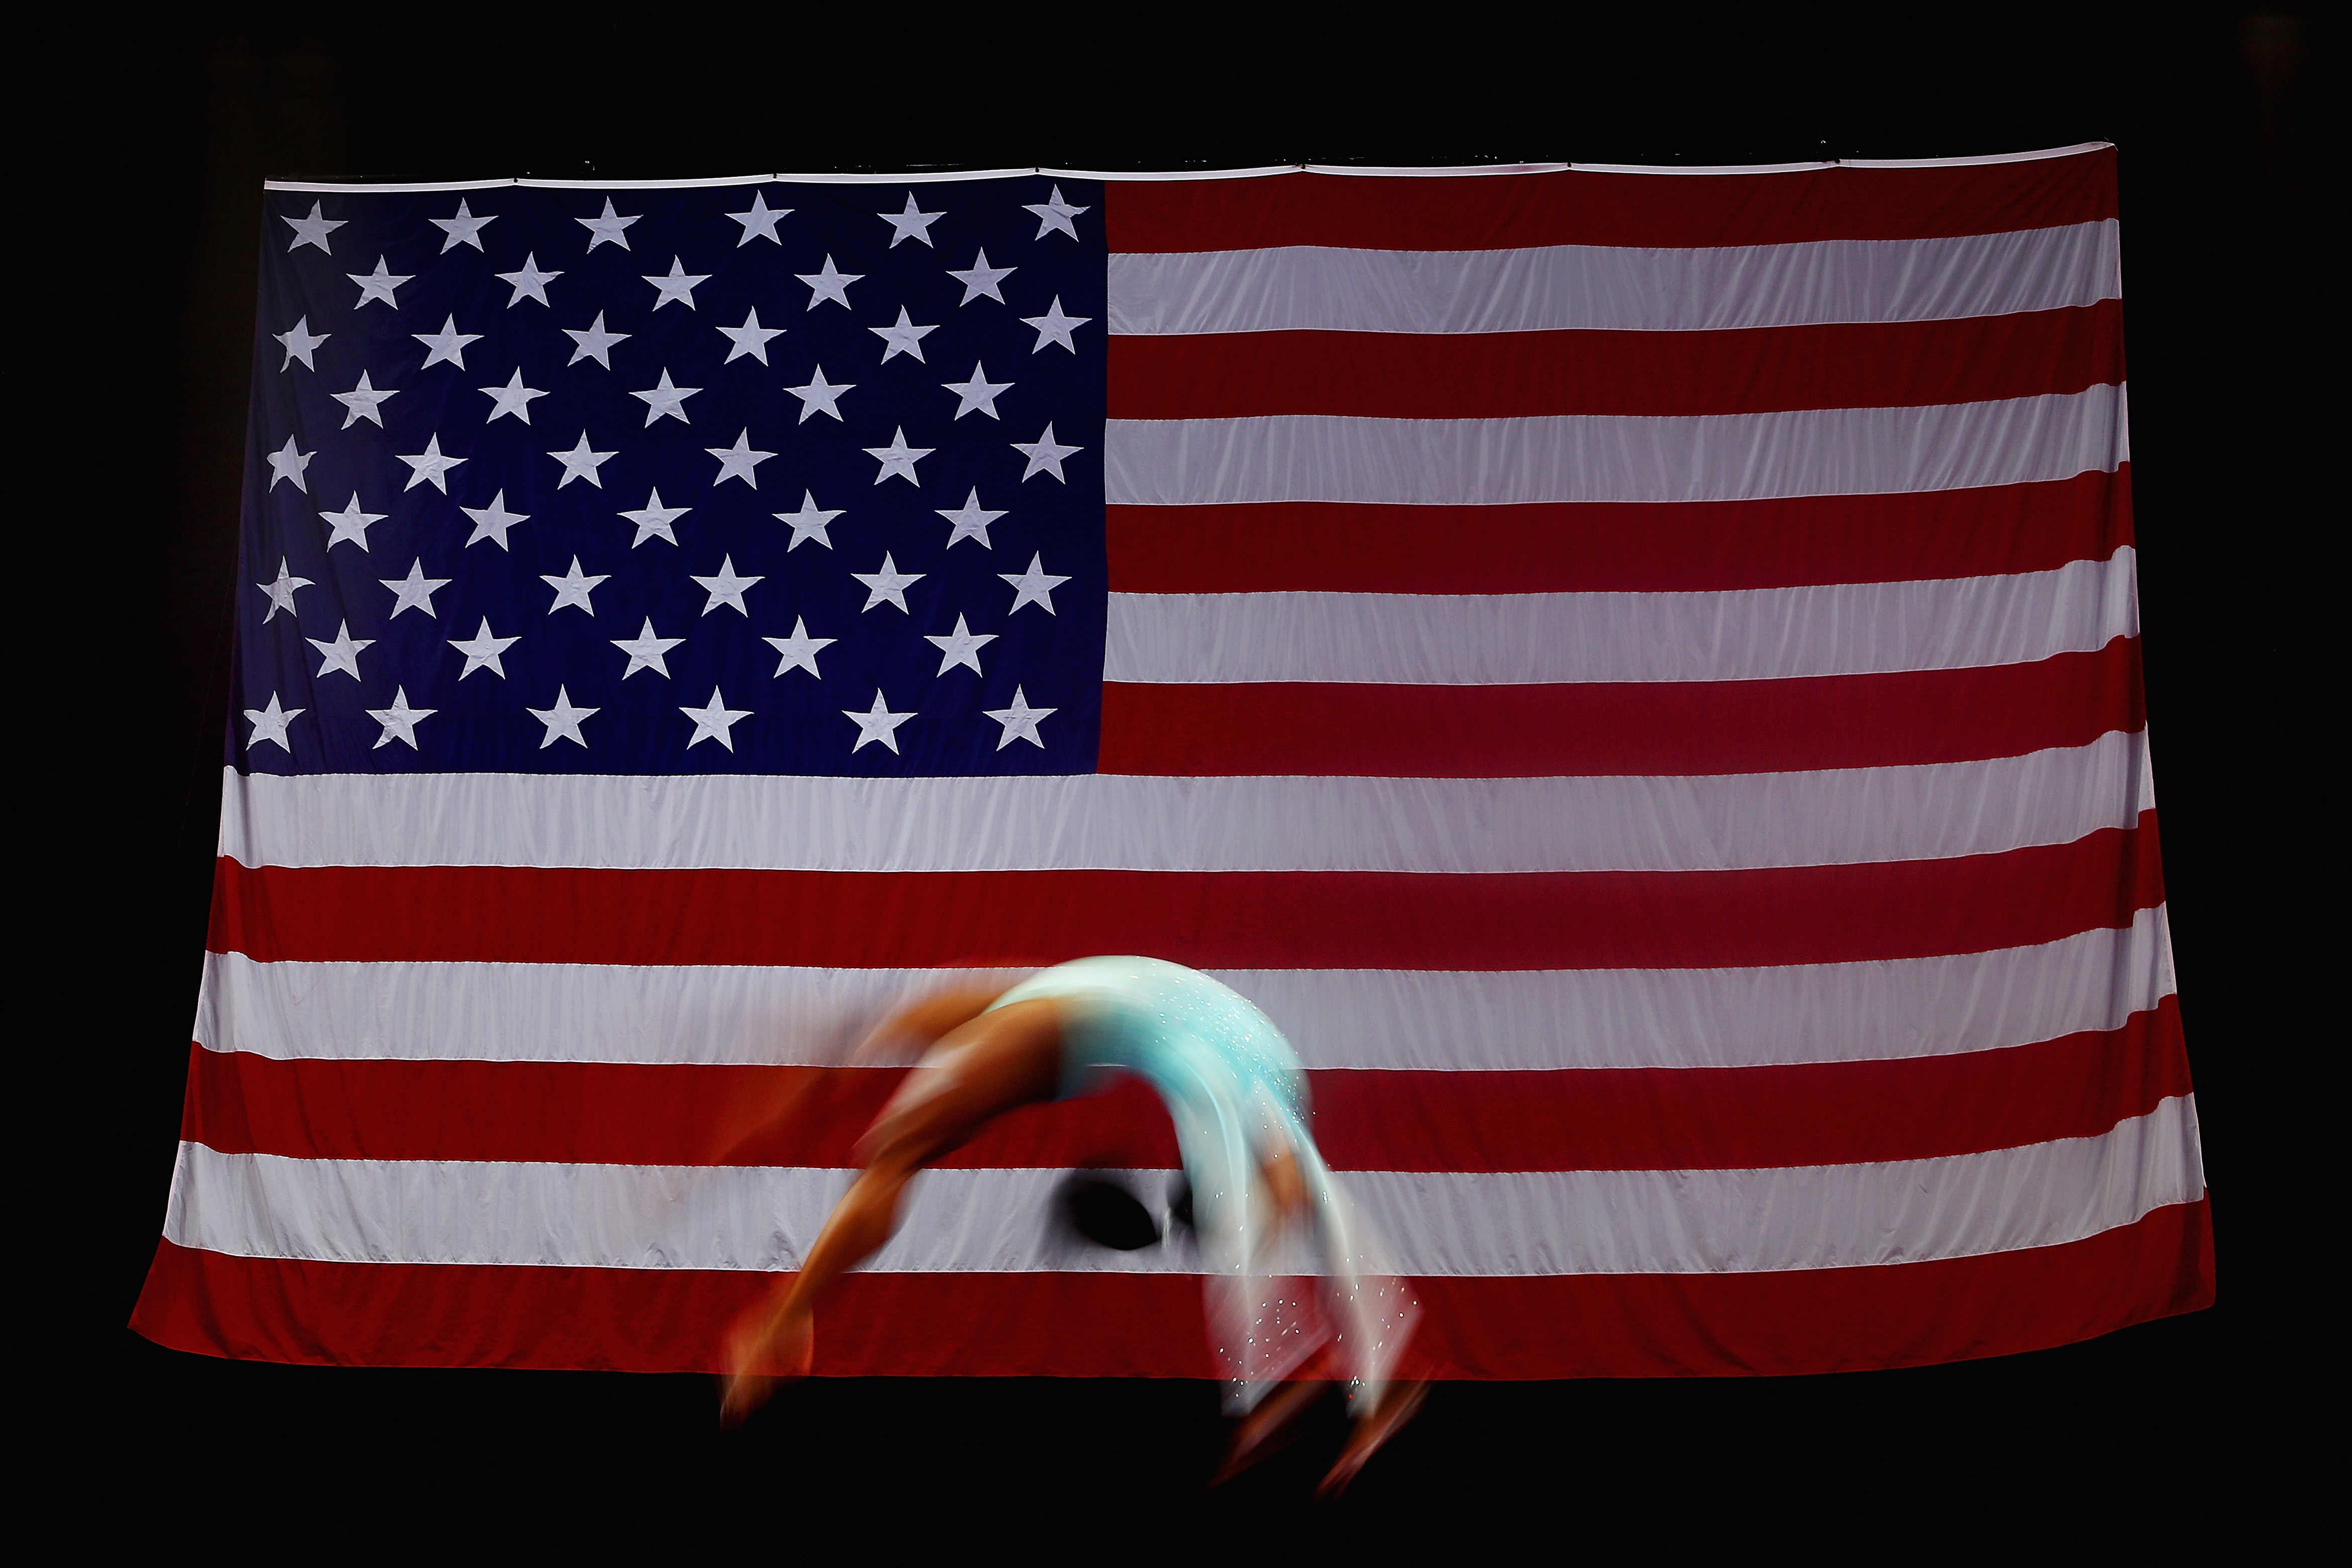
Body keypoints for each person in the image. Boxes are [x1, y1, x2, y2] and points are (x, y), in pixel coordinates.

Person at [720, 955, 1426, 1494]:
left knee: (893, 1151)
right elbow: (928, 1023)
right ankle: (1338, 1368)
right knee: (896, 1143)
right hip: (1219, 1043)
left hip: (1175, 1035)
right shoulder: (1037, 1020)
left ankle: (785, 1316)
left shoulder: (1028, 1022)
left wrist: (794, 1302)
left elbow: (924, 1034)